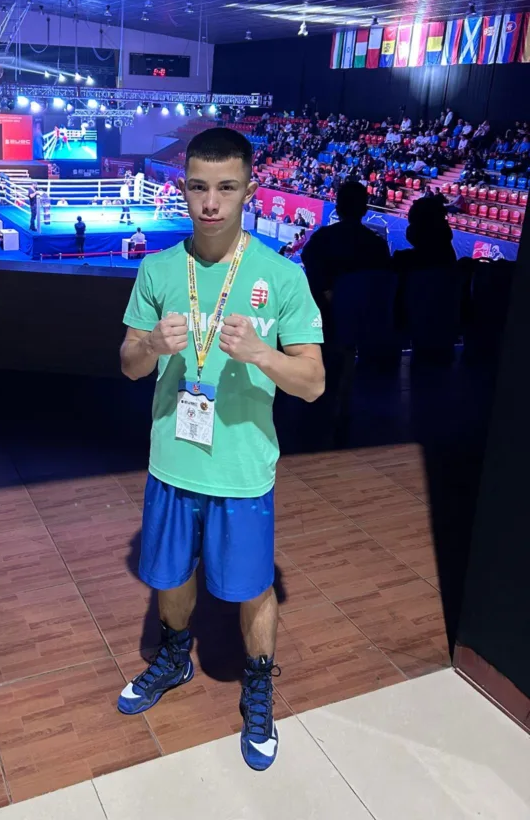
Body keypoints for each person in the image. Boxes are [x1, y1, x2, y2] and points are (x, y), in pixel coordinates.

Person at [118, 128, 325, 772]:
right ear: (183, 189)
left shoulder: (281, 276)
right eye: (199, 188)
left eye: (226, 188)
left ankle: (258, 683)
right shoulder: (158, 269)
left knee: (252, 586)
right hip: (172, 460)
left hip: (241, 469)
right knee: (171, 575)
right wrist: (151, 344)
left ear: (249, 191)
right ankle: (174, 657)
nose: (211, 203)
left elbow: (314, 383)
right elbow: (128, 364)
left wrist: (263, 354)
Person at [301, 181, 391, 312]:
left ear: (337, 210)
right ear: (365, 210)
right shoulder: (378, 244)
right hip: (363, 315)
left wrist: (326, 293)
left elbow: (308, 260)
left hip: (325, 313)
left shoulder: (321, 237)